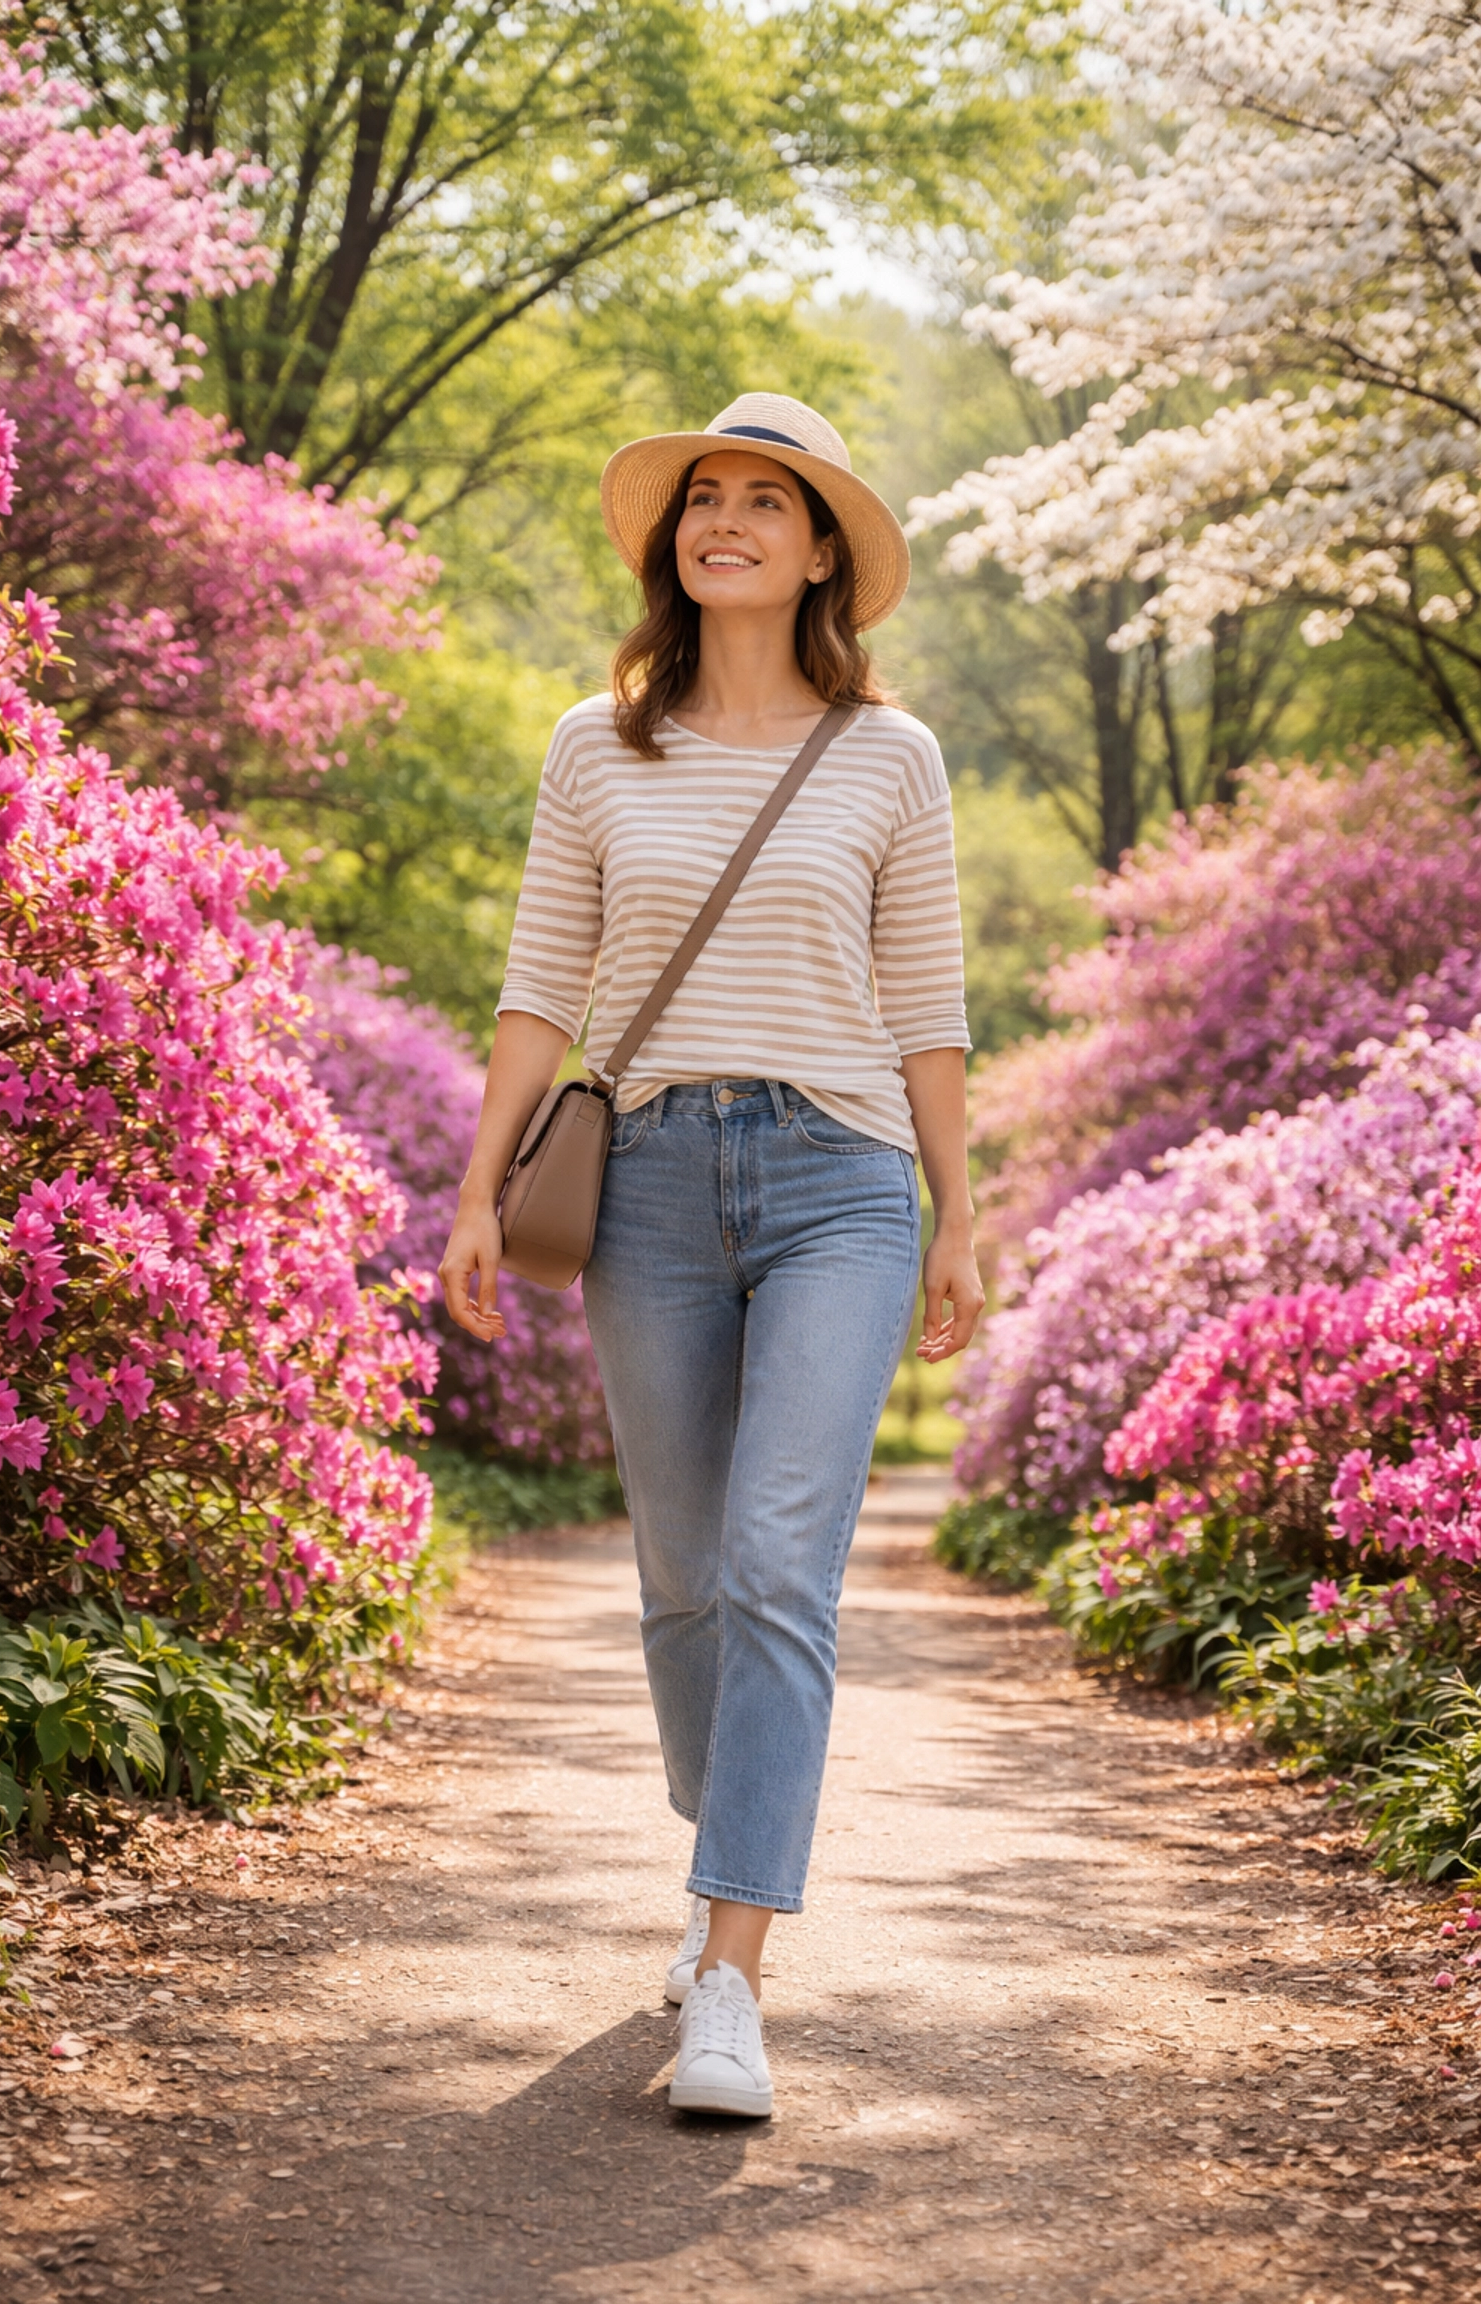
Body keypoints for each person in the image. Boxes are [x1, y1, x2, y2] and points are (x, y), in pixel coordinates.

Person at [438, 392, 985, 2119]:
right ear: (675, 541)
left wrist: (961, 1211)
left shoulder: (895, 759)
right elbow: (541, 981)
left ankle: (729, 1974)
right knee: (684, 1579)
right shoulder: (596, 747)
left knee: (774, 1567)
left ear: (823, 550)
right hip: (653, 1184)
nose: (727, 521)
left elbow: (928, 1007)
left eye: (770, 500)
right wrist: (472, 1192)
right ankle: (730, 1837)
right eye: (705, 498)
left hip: (843, 1179)